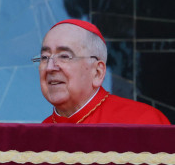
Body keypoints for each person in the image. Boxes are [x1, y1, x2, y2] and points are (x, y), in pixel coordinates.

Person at [36, 19, 169, 125]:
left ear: (97, 72)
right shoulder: (36, 138)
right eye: (45, 57)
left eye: (64, 56)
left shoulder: (143, 123)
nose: (49, 67)